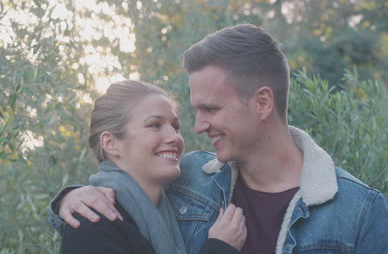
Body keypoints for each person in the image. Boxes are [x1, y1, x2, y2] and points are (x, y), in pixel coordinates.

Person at [50, 24, 388, 254]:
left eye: (209, 109)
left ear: (262, 103)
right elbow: (119, 200)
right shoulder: (189, 179)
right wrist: (71, 197)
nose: (196, 127)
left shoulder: (360, 211)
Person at [58, 80, 246, 254]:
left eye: (175, 126)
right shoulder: (93, 223)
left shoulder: (176, 206)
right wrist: (220, 248)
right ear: (111, 143)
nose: (174, 137)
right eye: (155, 125)